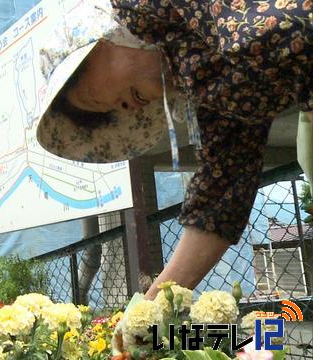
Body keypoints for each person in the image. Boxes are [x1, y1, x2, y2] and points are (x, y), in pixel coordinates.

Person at [36, 0, 311, 300]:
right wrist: (148, 313)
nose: (122, 108)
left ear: (99, 38)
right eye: (111, 111)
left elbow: (288, 25)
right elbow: (220, 196)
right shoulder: (210, 80)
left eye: (94, 98)